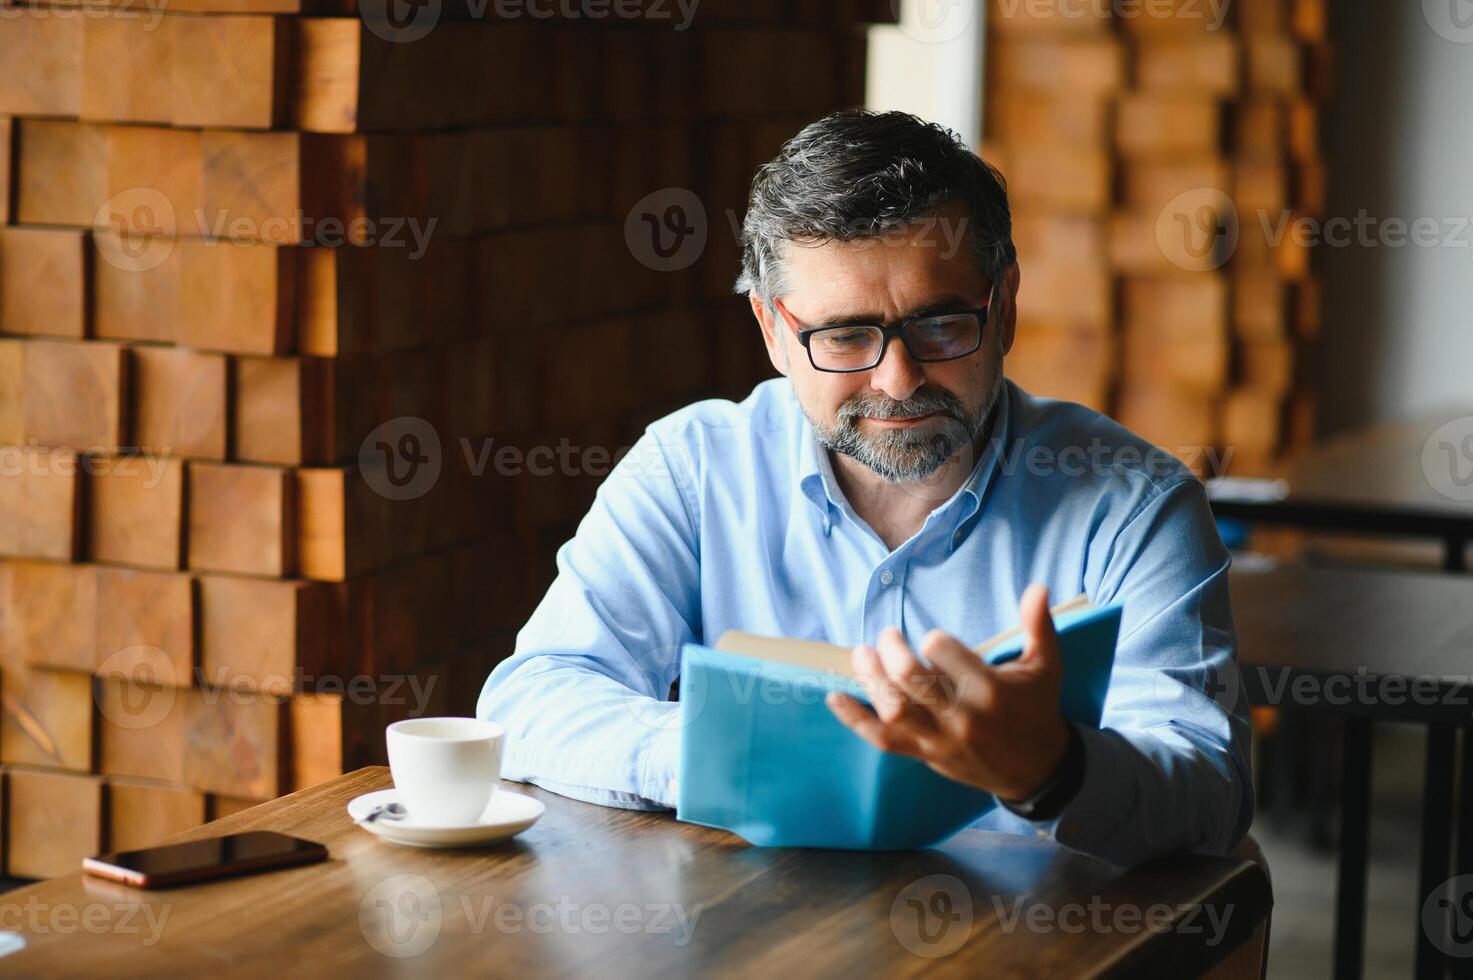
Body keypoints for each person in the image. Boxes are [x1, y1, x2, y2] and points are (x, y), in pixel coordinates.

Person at [478, 110, 1251, 867]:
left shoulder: (1135, 504)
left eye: (940, 325)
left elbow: (1209, 792)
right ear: (772, 332)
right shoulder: (690, 468)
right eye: (844, 336)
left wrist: (1051, 769)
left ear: (1004, 304)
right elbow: (535, 697)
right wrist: (727, 753)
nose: (897, 379)